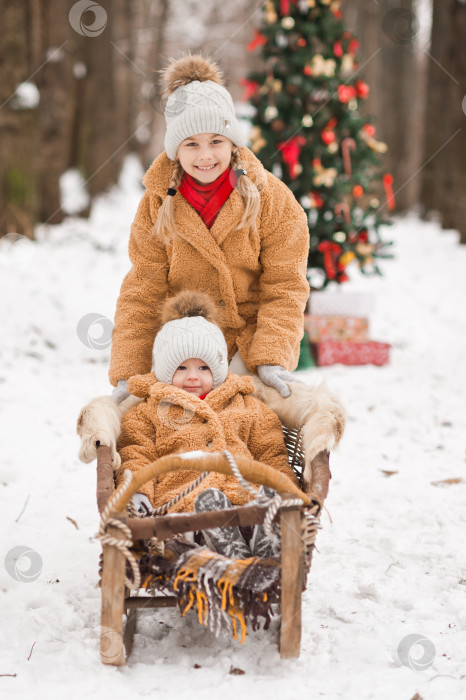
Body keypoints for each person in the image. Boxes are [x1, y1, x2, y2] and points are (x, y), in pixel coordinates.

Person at [109, 52, 310, 405]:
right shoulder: (158, 204)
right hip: (182, 347)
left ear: (233, 143)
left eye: (216, 141)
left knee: (245, 420)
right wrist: (130, 372)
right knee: (166, 424)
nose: (205, 156)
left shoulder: (272, 199)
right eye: (191, 144)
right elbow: (143, 289)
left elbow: (285, 285)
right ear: (175, 149)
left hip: (246, 342)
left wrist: (271, 358)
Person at [116, 291, 299, 559]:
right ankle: (231, 554)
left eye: (203, 368)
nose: (193, 377)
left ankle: (265, 543)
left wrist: (287, 490)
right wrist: (137, 493)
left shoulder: (247, 406)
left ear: (219, 369)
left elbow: (271, 452)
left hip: (246, 501)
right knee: (204, 508)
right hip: (184, 507)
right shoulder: (147, 413)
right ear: (166, 372)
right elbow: (137, 455)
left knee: (267, 501)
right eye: (182, 368)